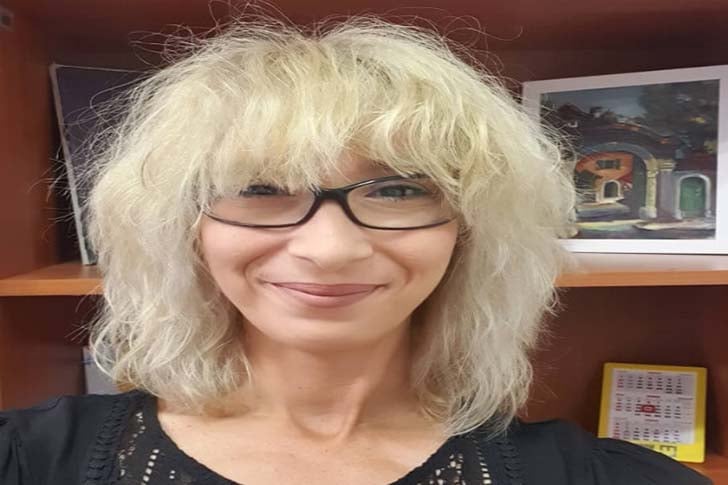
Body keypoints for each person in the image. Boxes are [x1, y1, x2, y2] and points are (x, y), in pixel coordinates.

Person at [0, 15, 712, 485]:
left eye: (399, 191)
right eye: (260, 188)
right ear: (185, 227)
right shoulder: (28, 460)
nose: (330, 248)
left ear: (470, 229)